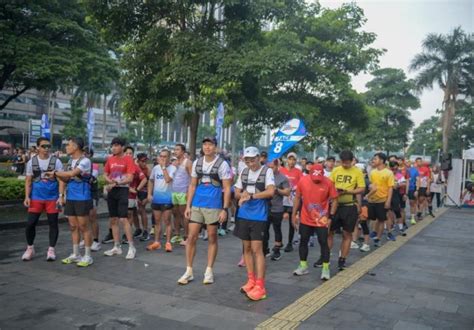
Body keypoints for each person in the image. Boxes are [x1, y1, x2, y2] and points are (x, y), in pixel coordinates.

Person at [177, 137, 232, 285]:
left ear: (215, 147)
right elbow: (192, 186)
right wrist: (188, 206)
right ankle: (189, 270)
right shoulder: (197, 162)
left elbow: (227, 188)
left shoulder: (222, 164)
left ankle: (209, 270)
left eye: (210, 145)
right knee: (191, 237)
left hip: (214, 204)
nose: (207, 147)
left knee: (212, 237)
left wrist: (224, 209)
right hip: (197, 204)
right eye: (205, 144)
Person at [234, 147, 275, 301]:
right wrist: (241, 194)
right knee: (247, 248)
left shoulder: (267, 171)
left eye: (253, 160)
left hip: (259, 215)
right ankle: (251, 280)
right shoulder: (244, 172)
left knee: (258, 250)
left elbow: (271, 191)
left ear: (259, 158)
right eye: (247, 160)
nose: (250, 163)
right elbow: (236, 191)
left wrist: (252, 196)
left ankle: (260, 285)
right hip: (244, 214)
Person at [49, 137, 94, 267]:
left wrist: (56, 173)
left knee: (84, 227)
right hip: (71, 198)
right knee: (73, 226)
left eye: (68, 145)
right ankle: (75, 254)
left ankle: (87, 255)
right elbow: (64, 178)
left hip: (83, 198)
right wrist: (61, 195)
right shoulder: (69, 161)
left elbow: (72, 173)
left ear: (75, 147)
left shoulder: (85, 161)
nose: (66, 147)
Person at [21, 137, 64, 261]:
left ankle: (51, 250)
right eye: (44, 146)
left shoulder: (56, 161)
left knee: (53, 223)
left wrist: (61, 197)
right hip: (36, 197)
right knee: (30, 224)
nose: (46, 149)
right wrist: (27, 197)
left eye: (48, 146)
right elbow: (28, 181)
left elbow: (61, 181)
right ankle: (30, 248)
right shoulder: (31, 162)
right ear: (38, 147)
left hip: (52, 198)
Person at [292, 164, 337, 280]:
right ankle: (303, 266)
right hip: (306, 217)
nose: (317, 181)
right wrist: (294, 214)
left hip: (322, 219)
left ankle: (326, 268)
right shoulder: (303, 180)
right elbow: (297, 198)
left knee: (323, 242)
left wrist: (331, 216)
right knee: (303, 241)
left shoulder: (328, 182)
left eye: (319, 179)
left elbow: (335, 199)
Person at [326, 150, 365, 270]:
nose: (345, 164)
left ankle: (342, 259)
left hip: (349, 205)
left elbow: (361, 188)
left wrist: (348, 191)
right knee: (329, 232)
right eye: (343, 162)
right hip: (335, 205)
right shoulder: (336, 170)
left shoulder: (357, 172)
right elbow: (329, 184)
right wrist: (335, 190)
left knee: (347, 234)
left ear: (352, 161)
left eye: (347, 162)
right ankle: (325, 257)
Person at [102, 137, 137, 259]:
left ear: (122, 147)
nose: (114, 148)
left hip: (122, 190)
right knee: (113, 220)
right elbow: (105, 174)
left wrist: (116, 183)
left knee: (123, 219)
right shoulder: (110, 159)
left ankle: (131, 247)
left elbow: (130, 178)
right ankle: (116, 247)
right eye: (113, 145)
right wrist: (109, 181)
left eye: (117, 145)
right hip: (112, 191)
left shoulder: (128, 159)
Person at [146, 149, 176, 252]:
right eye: (161, 156)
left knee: (167, 221)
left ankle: (168, 243)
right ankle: (156, 242)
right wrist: (149, 194)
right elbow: (151, 181)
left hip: (167, 198)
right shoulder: (155, 168)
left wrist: (163, 167)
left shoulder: (172, 168)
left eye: (165, 156)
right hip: (157, 198)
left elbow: (167, 180)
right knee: (157, 221)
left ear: (169, 157)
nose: (163, 158)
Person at [264, 159, 290, 261]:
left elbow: (287, 192)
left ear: (277, 166)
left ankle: (277, 250)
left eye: (272, 167)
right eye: (269, 167)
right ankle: (265, 249)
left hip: (277, 207)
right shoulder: (264, 176)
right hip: (265, 207)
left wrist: (277, 190)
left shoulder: (282, 178)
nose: (270, 169)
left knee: (277, 229)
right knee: (264, 229)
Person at [368, 152, 395, 247]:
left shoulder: (389, 173)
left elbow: (390, 188)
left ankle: (378, 238)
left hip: (382, 200)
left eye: (375, 159)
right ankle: (373, 233)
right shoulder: (372, 172)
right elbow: (371, 185)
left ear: (382, 160)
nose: (373, 160)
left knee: (381, 219)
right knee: (372, 219)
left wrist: (388, 201)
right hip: (372, 200)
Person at [280, 152, 303, 252]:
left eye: (294, 159)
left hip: (292, 200)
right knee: (277, 222)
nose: (292, 161)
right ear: (287, 160)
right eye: (290, 159)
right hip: (281, 199)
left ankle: (289, 243)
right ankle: (278, 241)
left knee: (291, 222)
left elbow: (301, 184)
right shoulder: (281, 170)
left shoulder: (298, 171)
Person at [124, 146, 147, 243]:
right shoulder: (120, 165)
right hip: (120, 194)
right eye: (127, 153)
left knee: (131, 213)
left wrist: (136, 190)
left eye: (131, 153)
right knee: (125, 215)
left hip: (131, 196)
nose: (129, 155)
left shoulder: (135, 167)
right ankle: (136, 230)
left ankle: (128, 235)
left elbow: (145, 179)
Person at [80, 147, 101, 251]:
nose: (85, 154)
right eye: (83, 152)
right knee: (83, 217)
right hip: (82, 193)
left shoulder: (95, 166)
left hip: (92, 193)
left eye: (87, 153)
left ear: (91, 155)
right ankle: (85, 238)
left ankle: (96, 241)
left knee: (92, 217)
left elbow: (91, 178)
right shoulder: (78, 164)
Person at [171, 144, 192, 246]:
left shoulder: (187, 163)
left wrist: (189, 192)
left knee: (185, 214)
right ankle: (177, 234)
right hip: (174, 192)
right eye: (175, 149)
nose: (175, 151)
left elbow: (192, 178)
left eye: (177, 149)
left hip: (183, 192)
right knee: (175, 213)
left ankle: (187, 236)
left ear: (183, 152)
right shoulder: (174, 163)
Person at [136, 153, 151, 241]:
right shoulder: (134, 168)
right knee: (134, 211)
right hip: (134, 191)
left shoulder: (147, 170)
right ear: (138, 161)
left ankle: (145, 230)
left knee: (142, 210)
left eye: (146, 161)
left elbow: (150, 183)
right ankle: (138, 229)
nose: (144, 163)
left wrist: (148, 196)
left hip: (143, 192)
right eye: (142, 161)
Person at [407, 161, 419, 225]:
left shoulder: (415, 170)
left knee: (412, 203)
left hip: (412, 189)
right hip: (402, 189)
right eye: (406, 162)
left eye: (408, 162)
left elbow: (418, 180)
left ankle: (412, 218)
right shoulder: (401, 170)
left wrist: (417, 190)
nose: (407, 163)